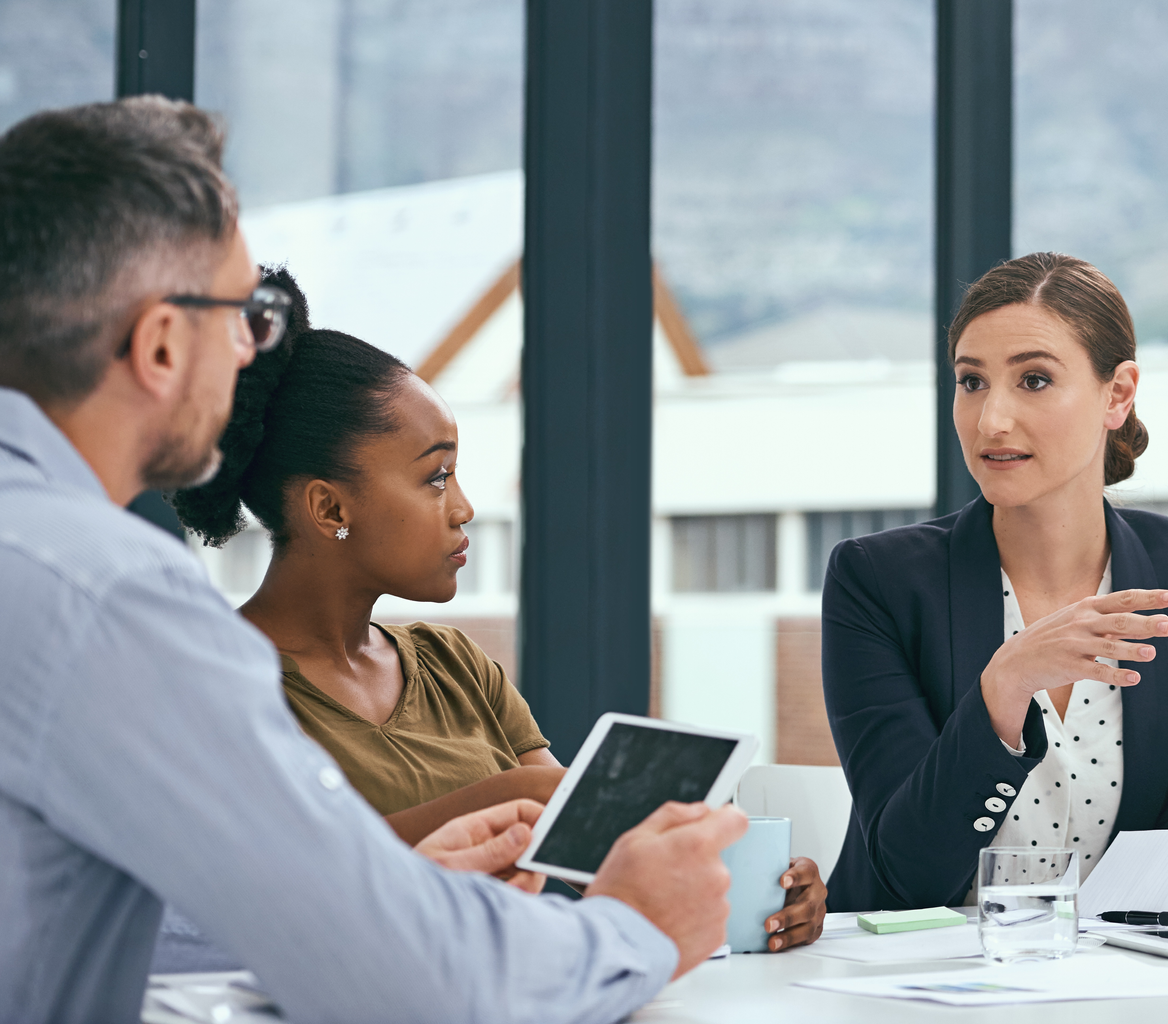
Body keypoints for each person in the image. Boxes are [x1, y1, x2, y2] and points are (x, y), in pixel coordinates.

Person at [0, 97, 745, 1024]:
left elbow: (33, 896)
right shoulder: (108, 596)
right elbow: (409, 983)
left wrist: (393, 888)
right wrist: (636, 926)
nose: (253, 352)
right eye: (243, 315)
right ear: (162, 343)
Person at [166, 266, 828, 952]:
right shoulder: (222, 682)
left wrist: (763, 885)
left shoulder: (455, 664)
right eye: (434, 477)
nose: (463, 509)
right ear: (331, 507)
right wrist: (507, 795)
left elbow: (582, 842)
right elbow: (289, 875)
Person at [821, 252, 1168, 912]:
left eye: (1033, 380)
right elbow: (908, 871)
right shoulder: (877, 581)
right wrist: (1003, 687)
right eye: (972, 382)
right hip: (917, 986)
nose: (990, 421)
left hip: (1110, 987)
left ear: (1118, 394)